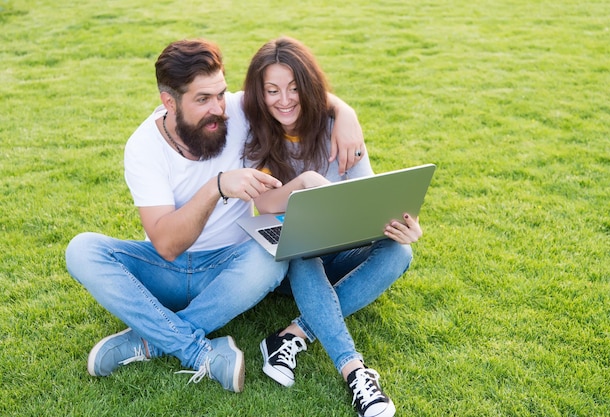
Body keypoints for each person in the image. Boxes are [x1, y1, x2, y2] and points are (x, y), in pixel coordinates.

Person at [65, 38, 364, 393]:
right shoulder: (144, 147)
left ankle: (151, 341)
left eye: (221, 93)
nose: (218, 108)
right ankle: (196, 350)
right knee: (82, 250)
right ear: (169, 103)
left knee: (272, 254)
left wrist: (346, 112)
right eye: (203, 99)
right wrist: (216, 187)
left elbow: (293, 90)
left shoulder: (235, 111)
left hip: (233, 269)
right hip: (166, 274)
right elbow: (166, 245)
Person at [242, 37, 423, 417]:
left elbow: (370, 202)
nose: (284, 100)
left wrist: (398, 225)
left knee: (399, 251)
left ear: (309, 87)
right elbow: (262, 202)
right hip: (289, 262)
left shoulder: (338, 130)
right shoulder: (254, 132)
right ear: (260, 94)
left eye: (293, 88)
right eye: (272, 90)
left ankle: (293, 334)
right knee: (303, 245)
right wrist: (305, 182)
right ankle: (355, 371)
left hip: (339, 249)